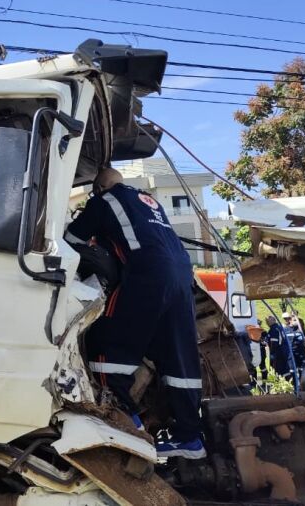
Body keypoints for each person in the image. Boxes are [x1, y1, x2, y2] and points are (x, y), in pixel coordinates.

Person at [64, 168, 204, 459]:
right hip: (182, 277)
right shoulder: (149, 201)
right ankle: (190, 439)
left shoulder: (103, 201)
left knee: (105, 345)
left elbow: (71, 240)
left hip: (146, 274)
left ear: (100, 187)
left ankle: (130, 425)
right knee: (179, 356)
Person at [267, 315, 295, 382]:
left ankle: (281, 383)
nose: (267, 323)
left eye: (268, 321)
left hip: (277, 353)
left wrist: (272, 354)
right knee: (284, 368)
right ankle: (289, 382)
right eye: (267, 321)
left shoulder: (273, 330)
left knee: (277, 369)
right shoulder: (280, 327)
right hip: (283, 351)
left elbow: (273, 343)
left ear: (273, 320)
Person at [282, 312, 305, 376]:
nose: (296, 322)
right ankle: (295, 384)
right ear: (289, 320)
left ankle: (302, 383)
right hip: (291, 354)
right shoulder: (285, 330)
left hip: (300, 353)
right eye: (294, 320)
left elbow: (304, 341)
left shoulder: (300, 330)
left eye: (297, 320)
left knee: (302, 369)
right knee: (292, 370)